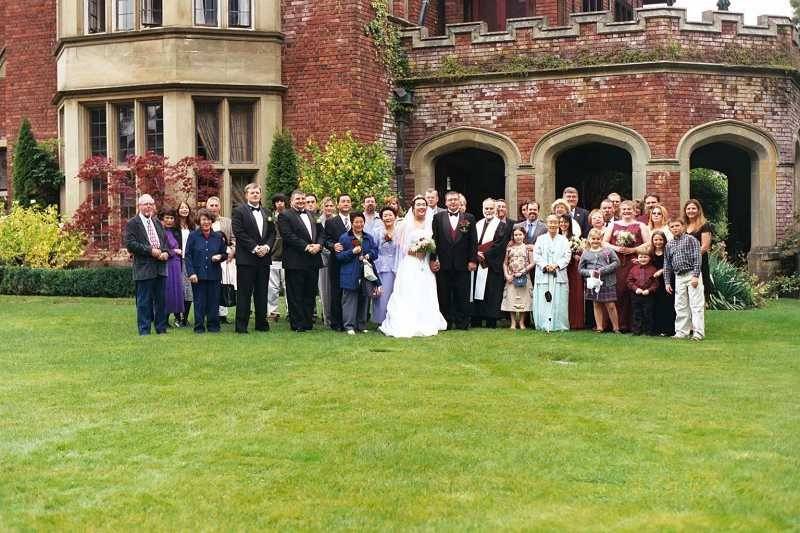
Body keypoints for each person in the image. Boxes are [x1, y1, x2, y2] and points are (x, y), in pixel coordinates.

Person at [379, 195, 447, 337]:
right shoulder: (405, 224)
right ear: (413, 207)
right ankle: (408, 321)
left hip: (426, 264)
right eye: (418, 205)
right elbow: (401, 246)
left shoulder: (431, 223)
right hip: (410, 263)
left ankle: (427, 320)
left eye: (424, 204)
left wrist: (429, 250)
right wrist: (417, 250)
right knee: (410, 291)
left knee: (426, 290)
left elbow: (436, 243)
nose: (421, 207)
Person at [232, 183, 276, 334]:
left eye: (257, 192)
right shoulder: (239, 211)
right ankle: (241, 326)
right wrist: (255, 248)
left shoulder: (267, 211)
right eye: (252, 193)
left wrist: (267, 247)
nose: (255, 195)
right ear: (246, 195)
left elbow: (272, 233)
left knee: (262, 292)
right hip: (246, 259)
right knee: (244, 293)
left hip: (264, 259)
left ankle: (261, 324)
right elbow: (239, 232)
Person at [278, 190, 325, 332]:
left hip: (313, 259)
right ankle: (297, 324)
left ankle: (307, 322)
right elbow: (288, 235)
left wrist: (319, 245)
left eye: (303, 199)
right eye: (298, 198)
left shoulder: (312, 215)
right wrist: (306, 246)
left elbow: (322, 233)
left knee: (310, 293)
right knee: (295, 293)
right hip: (295, 260)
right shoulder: (284, 215)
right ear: (291, 201)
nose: (301, 201)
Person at [430, 191, 477, 330]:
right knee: (444, 294)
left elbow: (473, 241)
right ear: (445, 202)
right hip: (443, 264)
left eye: (455, 200)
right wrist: (433, 259)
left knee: (462, 294)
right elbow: (434, 240)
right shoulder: (438, 218)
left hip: (463, 263)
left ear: (459, 201)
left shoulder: (468, 218)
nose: (453, 202)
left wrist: (472, 260)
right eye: (450, 200)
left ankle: (462, 322)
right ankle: (446, 322)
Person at [125, 194, 169, 335]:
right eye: (145, 204)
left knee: (161, 301)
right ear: (139, 206)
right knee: (144, 301)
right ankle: (144, 330)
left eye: (151, 204)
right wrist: (151, 251)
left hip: (160, 267)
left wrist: (166, 252)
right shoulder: (132, 223)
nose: (148, 206)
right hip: (144, 268)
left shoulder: (157, 223)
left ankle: (161, 329)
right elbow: (131, 245)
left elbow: (165, 242)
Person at [603, 200, 650, 332]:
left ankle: (632, 325)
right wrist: (617, 248)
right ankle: (616, 324)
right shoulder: (613, 224)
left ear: (635, 210)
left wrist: (633, 250)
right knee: (617, 291)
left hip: (633, 262)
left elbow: (648, 244)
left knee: (631, 291)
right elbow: (604, 242)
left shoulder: (641, 225)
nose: (626, 211)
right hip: (616, 263)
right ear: (620, 211)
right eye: (624, 209)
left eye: (629, 209)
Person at [185, 208, 228, 333]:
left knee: (214, 301)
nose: (206, 222)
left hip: (214, 274)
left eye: (208, 219)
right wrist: (191, 272)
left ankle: (213, 326)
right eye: (203, 219)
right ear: (199, 220)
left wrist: (220, 257)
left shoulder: (218, 236)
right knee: (199, 302)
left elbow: (224, 253)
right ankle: (199, 327)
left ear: (212, 221)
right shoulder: (193, 236)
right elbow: (187, 255)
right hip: (198, 275)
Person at [337, 212, 380, 335]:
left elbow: (375, 251)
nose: (359, 224)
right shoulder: (345, 238)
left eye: (361, 222)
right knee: (349, 300)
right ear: (351, 222)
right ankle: (349, 326)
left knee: (364, 299)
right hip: (349, 273)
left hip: (365, 273)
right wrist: (352, 252)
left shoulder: (368, 237)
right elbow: (339, 257)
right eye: (356, 222)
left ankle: (361, 325)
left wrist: (369, 255)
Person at [664, 218, 705, 340]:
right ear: (669, 229)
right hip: (679, 276)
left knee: (696, 304)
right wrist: (666, 282)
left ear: (683, 226)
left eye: (677, 225)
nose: (675, 228)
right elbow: (667, 264)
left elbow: (697, 258)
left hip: (691, 273)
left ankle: (698, 333)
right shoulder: (669, 244)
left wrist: (695, 276)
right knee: (680, 305)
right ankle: (682, 332)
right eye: (672, 226)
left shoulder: (691, 240)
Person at [470, 198, 506, 329]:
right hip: (478, 263)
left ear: (495, 210)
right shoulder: (478, 224)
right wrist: (475, 254)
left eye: (491, 208)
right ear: (483, 209)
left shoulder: (501, 225)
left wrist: (484, 255)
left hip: (491, 265)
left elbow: (499, 245)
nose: (488, 211)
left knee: (491, 292)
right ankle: (477, 318)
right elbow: (472, 242)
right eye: (486, 208)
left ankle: (491, 320)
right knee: (476, 291)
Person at [533, 215, 571, 332]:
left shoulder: (564, 240)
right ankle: (543, 324)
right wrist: (545, 265)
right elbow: (536, 255)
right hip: (544, 274)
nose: (553, 225)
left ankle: (559, 325)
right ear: (547, 224)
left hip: (558, 274)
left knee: (559, 300)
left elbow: (567, 255)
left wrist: (556, 265)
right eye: (550, 222)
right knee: (543, 300)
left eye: (555, 222)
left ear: (559, 224)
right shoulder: (540, 239)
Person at [579, 228, 620, 333]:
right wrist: (590, 272)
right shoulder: (586, 253)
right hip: (593, 282)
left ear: (601, 239)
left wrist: (603, 270)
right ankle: (599, 327)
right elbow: (580, 269)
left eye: (598, 239)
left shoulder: (608, 251)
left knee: (610, 305)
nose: (595, 241)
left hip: (608, 281)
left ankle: (616, 328)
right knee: (596, 304)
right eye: (593, 239)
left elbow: (616, 262)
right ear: (589, 239)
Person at [324, 193, 353, 331]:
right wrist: (332, 245)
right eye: (343, 201)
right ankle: (336, 323)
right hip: (336, 261)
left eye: (348, 201)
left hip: (353, 261)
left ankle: (351, 321)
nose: (346, 203)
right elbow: (325, 240)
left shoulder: (356, 220)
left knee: (351, 292)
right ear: (338, 205)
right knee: (336, 292)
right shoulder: (331, 222)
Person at [206, 196, 235, 324]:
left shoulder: (228, 222)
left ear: (220, 207)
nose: (213, 208)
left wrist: (231, 252)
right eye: (211, 205)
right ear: (207, 207)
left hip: (225, 259)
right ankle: (211, 313)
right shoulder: (202, 221)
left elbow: (234, 238)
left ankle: (222, 314)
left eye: (215, 205)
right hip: (208, 260)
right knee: (210, 286)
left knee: (223, 285)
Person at [501, 227, 534, 329]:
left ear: (524, 235)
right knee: (511, 298)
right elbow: (505, 263)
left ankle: (522, 322)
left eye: (520, 234)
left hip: (524, 276)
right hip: (511, 277)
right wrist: (507, 275)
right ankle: (513, 322)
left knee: (524, 299)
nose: (518, 237)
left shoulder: (527, 248)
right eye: (516, 235)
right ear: (513, 236)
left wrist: (523, 271)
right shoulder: (509, 248)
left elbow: (533, 262)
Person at [370, 206, 399, 325]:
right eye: (385, 215)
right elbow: (373, 248)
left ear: (395, 217)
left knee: (395, 294)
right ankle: (381, 320)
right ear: (381, 218)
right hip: (382, 265)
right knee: (382, 294)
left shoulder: (400, 231)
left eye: (390, 215)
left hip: (397, 264)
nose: (388, 217)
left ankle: (394, 319)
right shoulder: (377, 232)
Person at [559, 213, 585, 330]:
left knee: (574, 292)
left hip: (572, 268)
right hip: (560, 267)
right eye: (561, 222)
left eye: (565, 222)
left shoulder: (574, 238)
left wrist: (577, 255)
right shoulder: (556, 237)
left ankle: (575, 321)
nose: (563, 224)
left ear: (569, 224)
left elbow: (580, 251)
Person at [684, 199, 713, 298]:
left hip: (699, 261)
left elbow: (705, 246)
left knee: (700, 292)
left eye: (693, 208)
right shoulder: (684, 226)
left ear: (698, 210)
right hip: (685, 264)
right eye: (688, 208)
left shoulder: (704, 225)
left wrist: (690, 257)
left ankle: (700, 313)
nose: (690, 211)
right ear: (685, 210)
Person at [160, 208, 185, 327]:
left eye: (171, 218)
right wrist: (174, 251)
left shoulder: (175, 232)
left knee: (176, 291)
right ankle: (163, 319)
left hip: (176, 264)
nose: (169, 220)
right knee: (167, 291)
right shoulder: (160, 231)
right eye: (167, 218)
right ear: (162, 219)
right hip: (167, 264)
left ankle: (177, 318)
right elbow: (161, 249)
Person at [649, 230, 675, 336]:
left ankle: (669, 329)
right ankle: (657, 329)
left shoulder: (668, 251)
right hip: (656, 283)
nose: (658, 242)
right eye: (655, 240)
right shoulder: (651, 252)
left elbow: (673, 265)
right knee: (657, 305)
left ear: (664, 240)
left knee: (668, 304)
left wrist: (662, 270)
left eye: (660, 240)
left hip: (667, 280)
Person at [627, 252, 659, 335]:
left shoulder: (653, 269)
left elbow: (656, 283)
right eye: (641, 257)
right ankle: (637, 331)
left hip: (648, 295)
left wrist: (649, 290)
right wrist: (635, 289)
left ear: (649, 258)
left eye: (645, 257)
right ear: (638, 258)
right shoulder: (634, 269)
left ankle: (648, 331)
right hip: (636, 294)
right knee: (636, 313)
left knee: (648, 313)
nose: (643, 259)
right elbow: (629, 281)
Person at [268, 193, 287, 321]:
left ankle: (291, 311)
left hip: (287, 257)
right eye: (277, 201)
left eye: (282, 201)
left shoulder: (290, 216)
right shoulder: (270, 218)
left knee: (288, 286)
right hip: (273, 256)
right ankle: (272, 312)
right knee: (272, 287)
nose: (280, 203)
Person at [317, 196, 336, 327]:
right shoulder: (318, 221)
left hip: (336, 256)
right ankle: (327, 318)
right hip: (322, 256)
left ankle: (336, 316)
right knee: (324, 288)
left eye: (331, 206)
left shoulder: (337, 220)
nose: (329, 208)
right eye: (326, 206)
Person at [176, 200, 195, 326]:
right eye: (182, 208)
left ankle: (185, 318)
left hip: (189, 261)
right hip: (176, 261)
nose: (184, 209)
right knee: (177, 289)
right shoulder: (174, 227)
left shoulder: (192, 226)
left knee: (188, 290)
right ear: (178, 210)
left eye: (186, 207)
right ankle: (177, 317)